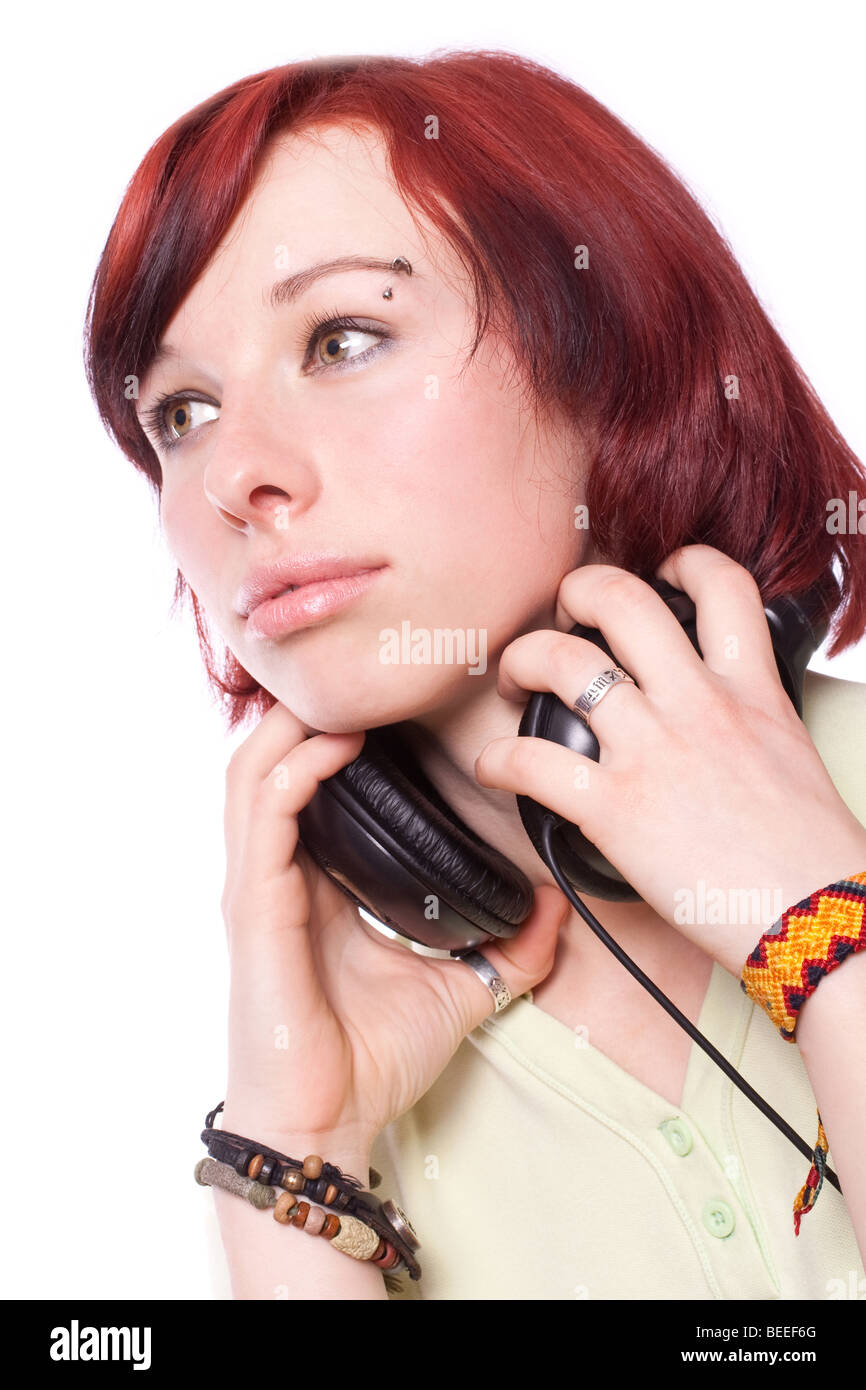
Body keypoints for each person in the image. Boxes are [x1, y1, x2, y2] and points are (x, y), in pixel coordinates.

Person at [84, 49, 866, 1301]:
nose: (235, 475)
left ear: (613, 370)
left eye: (342, 338)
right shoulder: (340, 1069)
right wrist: (299, 1163)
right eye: (180, 412)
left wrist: (820, 924)